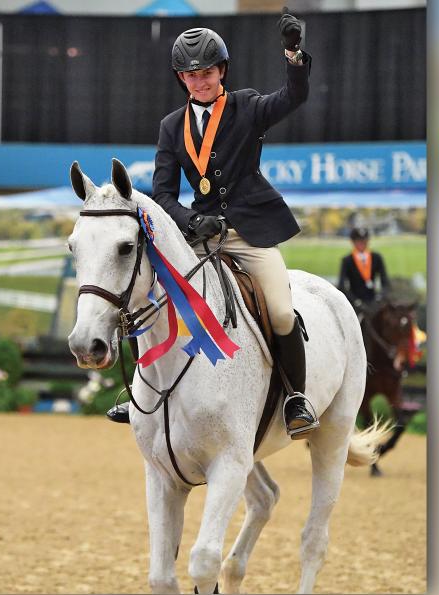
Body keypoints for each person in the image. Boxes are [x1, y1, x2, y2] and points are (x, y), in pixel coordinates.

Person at [107, 12, 319, 439]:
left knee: (279, 311)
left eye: (206, 72)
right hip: (200, 237)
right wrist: (190, 219)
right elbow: (162, 193)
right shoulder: (171, 127)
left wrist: (293, 55)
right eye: (190, 75)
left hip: (249, 235)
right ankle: (140, 393)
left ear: (221, 70)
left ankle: (296, 397)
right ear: (180, 78)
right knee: (148, 296)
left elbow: (293, 97)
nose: (199, 81)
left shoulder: (248, 106)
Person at [336, 226, 391, 313]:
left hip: (374, 301)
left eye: (364, 241)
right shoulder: (347, 260)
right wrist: (355, 301)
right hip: (355, 304)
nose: (362, 244)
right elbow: (341, 286)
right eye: (359, 241)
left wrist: (379, 297)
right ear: (353, 242)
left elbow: (385, 283)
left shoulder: (377, 258)